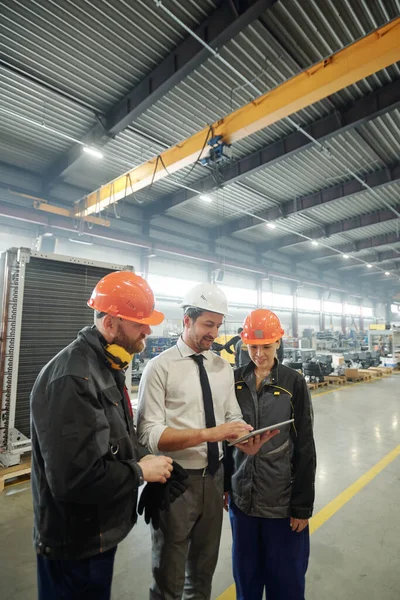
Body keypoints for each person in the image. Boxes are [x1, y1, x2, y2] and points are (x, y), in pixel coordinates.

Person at [30, 271, 175, 600]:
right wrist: (139, 472)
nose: (148, 331)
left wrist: (143, 456)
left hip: (97, 535)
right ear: (111, 323)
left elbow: (114, 438)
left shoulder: (106, 366)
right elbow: (74, 479)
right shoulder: (72, 378)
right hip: (74, 545)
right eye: (140, 322)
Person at [137, 283, 276, 600]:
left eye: (218, 325)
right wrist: (210, 434)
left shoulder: (221, 368)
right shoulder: (159, 369)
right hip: (175, 483)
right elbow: (149, 435)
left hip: (214, 482)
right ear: (187, 320)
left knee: (201, 576)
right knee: (168, 581)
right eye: (207, 324)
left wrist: (245, 441)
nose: (214, 333)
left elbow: (232, 418)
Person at [224, 308, 317, 600]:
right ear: (244, 344)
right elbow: (223, 439)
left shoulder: (293, 383)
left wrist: (302, 505)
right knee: (246, 581)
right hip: (243, 501)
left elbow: (305, 445)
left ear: (278, 342)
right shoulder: (233, 381)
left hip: (282, 504)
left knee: (286, 585)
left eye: (266, 346)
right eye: (253, 347)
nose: (260, 354)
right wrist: (226, 484)